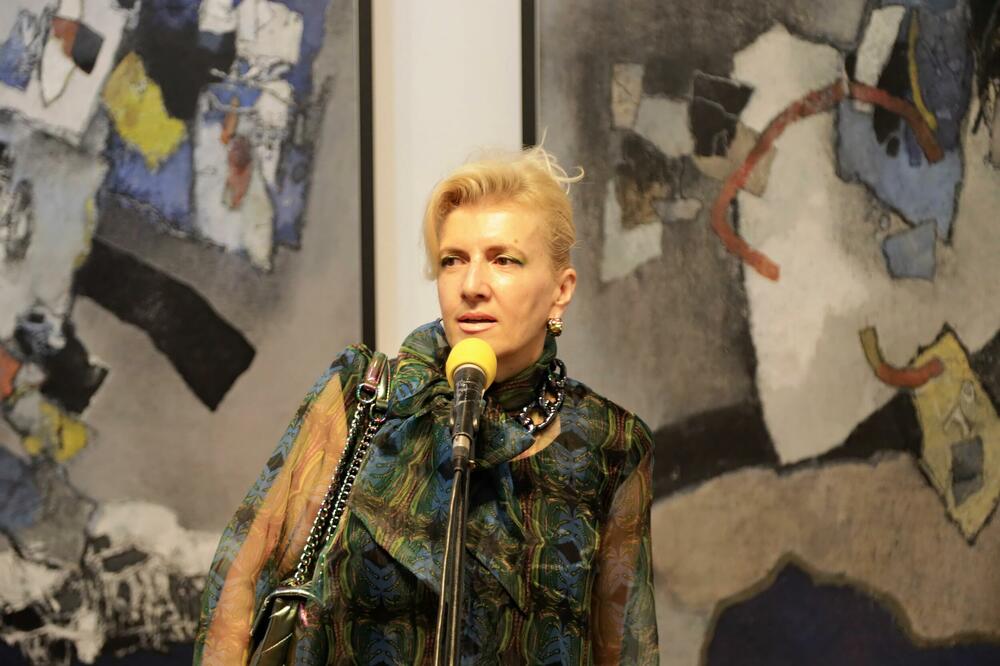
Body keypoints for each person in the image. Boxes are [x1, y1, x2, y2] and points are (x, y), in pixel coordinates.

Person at [194, 146, 658, 664]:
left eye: (503, 260)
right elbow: (237, 587)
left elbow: (625, 647)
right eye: (452, 260)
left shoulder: (609, 441)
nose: (472, 286)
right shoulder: (364, 395)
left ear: (560, 290)